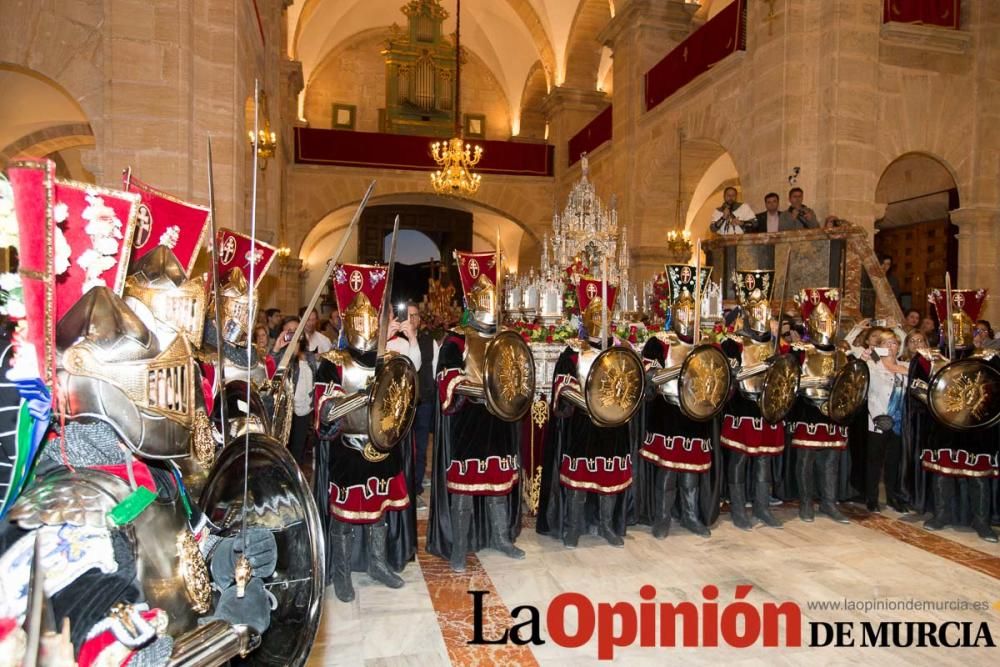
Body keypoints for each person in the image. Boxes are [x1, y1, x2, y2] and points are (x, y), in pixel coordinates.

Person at [315, 262, 416, 601]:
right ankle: (343, 574)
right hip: (349, 446)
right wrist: (359, 397)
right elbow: (325, 408)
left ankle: (377, 563)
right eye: (360, 319)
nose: (366, 324)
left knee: (380, 511)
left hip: (382, 444)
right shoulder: (333, 360)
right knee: (344, 516)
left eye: (372, 319)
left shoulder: (386, 359)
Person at [427, 250, 525, 572]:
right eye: (485, 301)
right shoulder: (457, 340)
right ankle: (459, 548)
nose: (490, 307)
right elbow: (446, 378)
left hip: (499, 422)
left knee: (498, 484)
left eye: (493, 301)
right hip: (469, 420)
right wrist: (482, 390)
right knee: (465, 490)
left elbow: (517, 373)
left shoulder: (506, 338)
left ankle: (500, 537)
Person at [537, 277, 634, 549]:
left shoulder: (621, 349)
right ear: (586, 318)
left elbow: (631, 381)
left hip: (613, 423)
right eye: (596, 316)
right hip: (583, 422)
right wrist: (587, 403)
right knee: (579, 477)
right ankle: (573, 526)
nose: (601, 322)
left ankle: (605, 525)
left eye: (605, 317)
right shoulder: (574, 351)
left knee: (610, 475)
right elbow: (562, 385)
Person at [911, 288, 997, 542]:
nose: (958, 331)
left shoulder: (987, 358)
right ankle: (941, 515)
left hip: (976, 426)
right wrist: (935, 397)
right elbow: (916, 387)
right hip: (943, 424)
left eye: (963, 326)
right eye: (952, 326)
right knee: (943, 472)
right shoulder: (932, 358)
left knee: (978, 476)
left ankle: (981, 522)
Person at [640, 265, 716, 538]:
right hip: (669, 411)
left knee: (691, 471)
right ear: (673, 311)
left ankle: (691, 515)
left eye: (692, 311)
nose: (688, 316)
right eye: (683, 311)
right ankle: (662, 518)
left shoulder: (706, 343)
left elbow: (717, 378)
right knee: (669, 470)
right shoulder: (659, 342)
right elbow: (649, 378)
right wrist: (679, 370)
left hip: (696, 412)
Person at [720, 270, 788, 530]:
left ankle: (762, 507)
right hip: (742, 406)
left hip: (767, 408)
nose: (761, 315)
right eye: (756, 311)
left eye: (765, 311)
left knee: (764, 461)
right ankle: (738, 509)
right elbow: (731, 375)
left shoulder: (778, 345)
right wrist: (761, 368)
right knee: (739, 459)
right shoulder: (733, 342)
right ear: (747, 313)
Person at [788, 288, 852, 524]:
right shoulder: (802, 351)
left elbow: (851, 383)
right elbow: (788, 380)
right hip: (808, 410)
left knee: (831, 460)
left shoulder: (842, 353)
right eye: (820, 322)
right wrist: (813, 381)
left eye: (828, 322)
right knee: (805, 459)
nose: (824, 326)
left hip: (833, 413)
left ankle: (829, 501)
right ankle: (806, 503)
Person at [387, 300, 439, 506]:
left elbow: (426, 368)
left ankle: (415, 487)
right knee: (400, 447)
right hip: (396, 403)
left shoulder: (428, 341)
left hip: (422, 400)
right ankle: (397, 486)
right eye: (407, 315)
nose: (411, 319)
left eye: (415, 315)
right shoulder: (391, 340)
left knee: (420, 445)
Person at [861, 330, 909, 513]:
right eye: (885, 343)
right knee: (874, 461)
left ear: (899, 346)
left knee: (893, 462)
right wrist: (867, 355)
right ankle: (871, 498)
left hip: (898, 423)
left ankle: (892, 497)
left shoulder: (907, 366)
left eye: (894, 342)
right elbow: (859, 374)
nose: (890, 346)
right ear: (879, 347)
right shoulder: (873, 366)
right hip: (877, 420)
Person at [271, 315, 317, 465]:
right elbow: (269, 372)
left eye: (297, 330)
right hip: (284, 411)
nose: (294, 333)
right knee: (281, 452)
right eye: (289, 330)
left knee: (297, 453)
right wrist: (277, 348)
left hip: (304, 411)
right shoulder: (280, 355)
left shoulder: (309, 356)